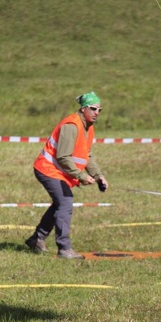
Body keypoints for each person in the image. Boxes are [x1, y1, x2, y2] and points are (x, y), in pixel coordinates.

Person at [25, 91, 108, 259]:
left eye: (100, 110)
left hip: (60, 172)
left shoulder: (88, 127)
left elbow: (87, 155)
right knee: (65, 202)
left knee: (59, 204)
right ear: (84, 109)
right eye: (93, 109)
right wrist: (81, 176)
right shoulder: (71, 125)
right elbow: (63, 157)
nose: (96, 113)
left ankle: (37, 239)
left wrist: (99, 176)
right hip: (47, 169)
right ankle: (64, 248)